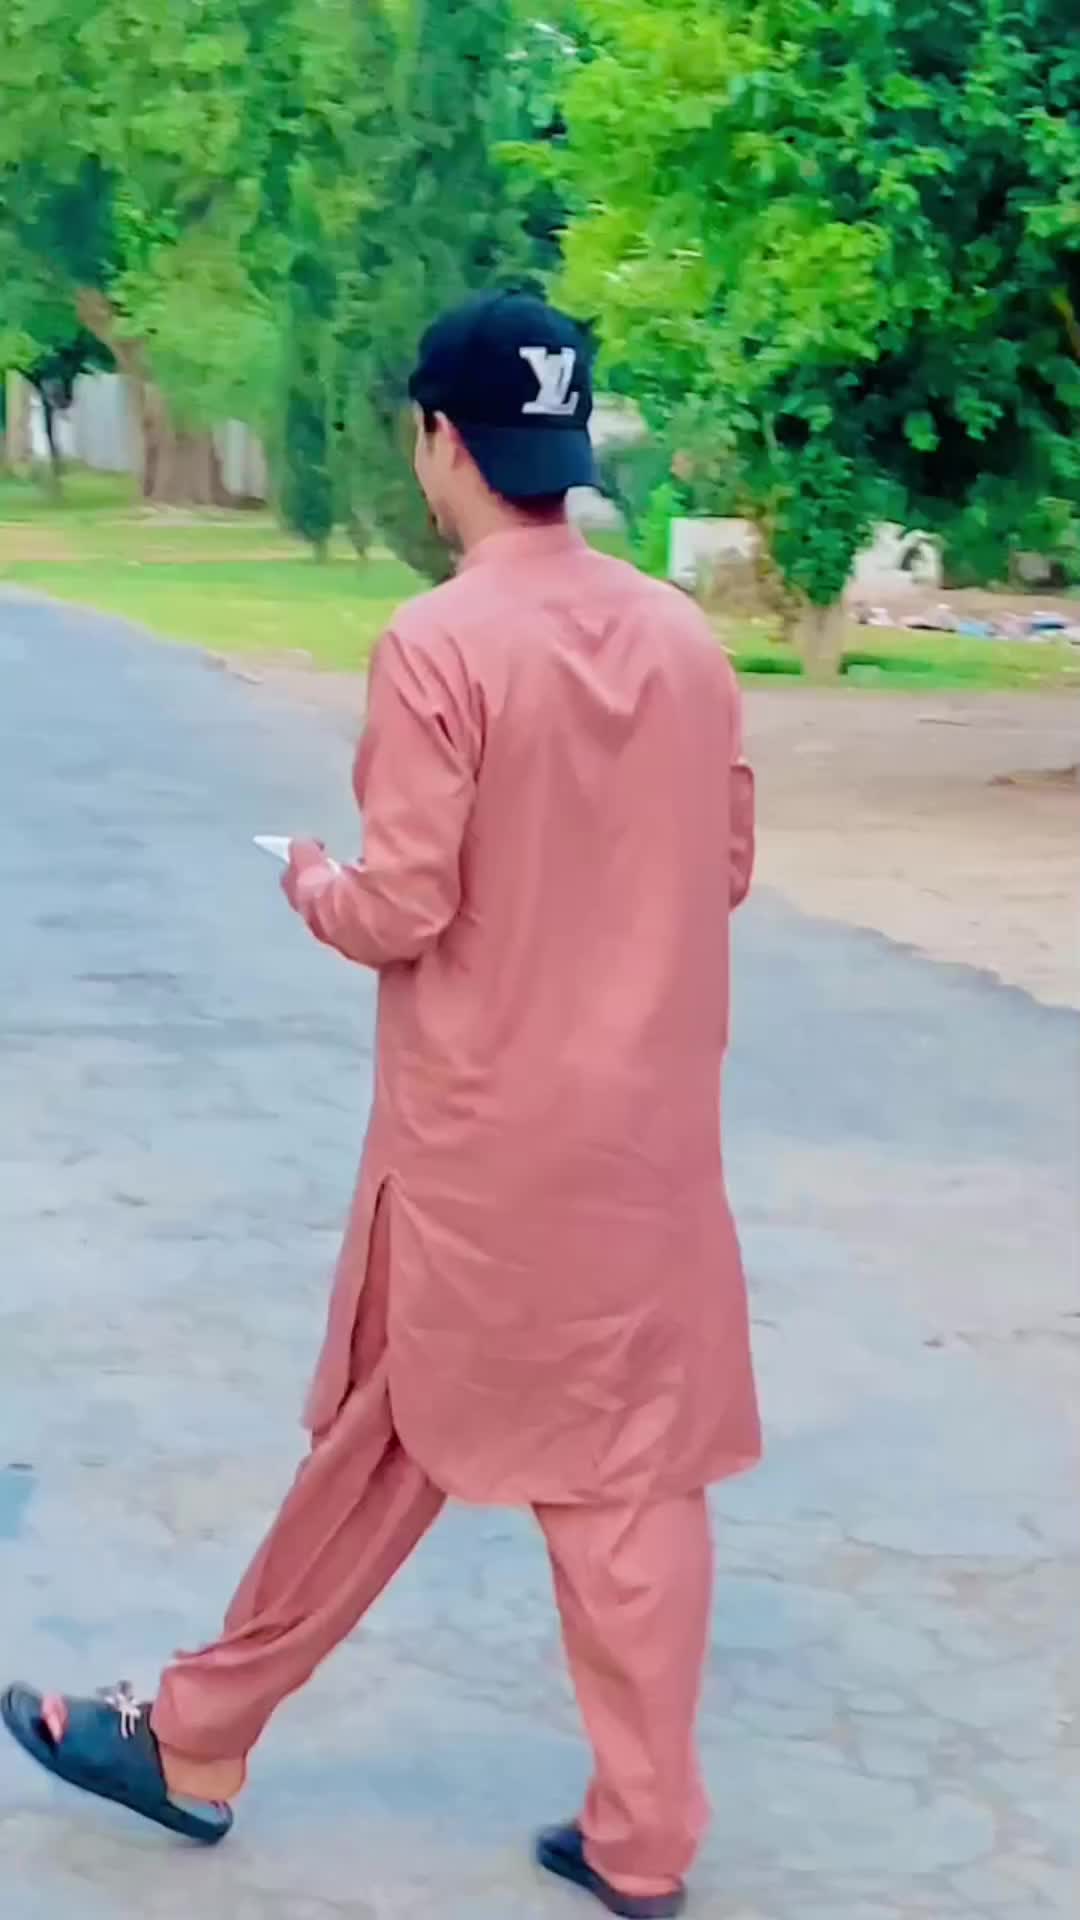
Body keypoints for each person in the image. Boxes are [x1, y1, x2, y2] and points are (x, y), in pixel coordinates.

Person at [2, 292, 761, 1918]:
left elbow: (403, 907)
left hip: (482, 1155)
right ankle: (643, 1837)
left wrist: (310, 880)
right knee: (624, 1480)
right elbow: (725, 867)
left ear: (438, 439)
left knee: (393, 1426)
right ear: (563, 444)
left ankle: (194, 1738)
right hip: (644, 1150)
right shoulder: (684, 642)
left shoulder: (441, 644)